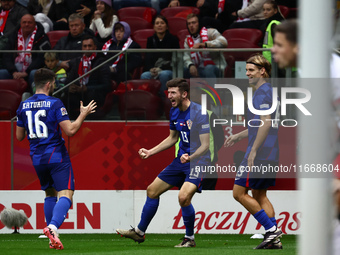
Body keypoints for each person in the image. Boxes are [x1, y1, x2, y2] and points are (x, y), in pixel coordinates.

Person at [116, 78, 210, 247]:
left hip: (198, 161)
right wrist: (150, 152)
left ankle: (189, 238)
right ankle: (139, 232)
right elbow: (172, 138)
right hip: (180, 160)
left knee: (183, 196)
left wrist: (191, 157)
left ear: (184, 94)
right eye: (168, 92)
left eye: (173, 93)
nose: (169, 96)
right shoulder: (174, 111)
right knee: (152, 191)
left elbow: (205, 146)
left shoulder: (199, 112)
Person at [16, 68, 97, 250]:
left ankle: (50, 233)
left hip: (37, 159)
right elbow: (71, 130)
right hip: (56, 156)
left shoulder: (23, 105)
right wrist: (83, 114)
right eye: (53, 83)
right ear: (48, 84)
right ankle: (52, 227)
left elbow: (19, 136)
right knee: (67, 194)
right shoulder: (54, 103)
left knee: (50, 193)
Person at [224, 54, 282, 249]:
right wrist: (238, 136)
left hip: (262, 152)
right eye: (246, 70)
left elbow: (265, 123)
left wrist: (254, 150)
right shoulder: (267, 91)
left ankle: (272, 231)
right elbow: (261, 124)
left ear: (262, 71)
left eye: (251, 70)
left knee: (238, 192)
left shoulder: (263, 92)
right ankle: (274, 240)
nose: (247, 74)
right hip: (270, 151)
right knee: (260, 196)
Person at [64, 34, 111, 119]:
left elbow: (107, 85)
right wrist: (69, 87)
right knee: (66, 97)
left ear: (95, 47)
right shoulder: (77, 62)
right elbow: (68, 81)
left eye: (90, 46)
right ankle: (69, 124)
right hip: (79, 95)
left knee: (91, 95)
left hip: (94, 95)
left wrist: (87, 88)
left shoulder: (101, 62)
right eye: (85, 46)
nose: (87, 48)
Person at [0, 14, 51, 90]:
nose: (27, 24)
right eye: (24, 22)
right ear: (20, 24)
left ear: (34, 24)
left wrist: (26, 72)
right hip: (14, 71)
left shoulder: (42, 37)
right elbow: (6, 56)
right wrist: (13, 71)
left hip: (31, 70)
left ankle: (36, 99)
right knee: (1, 73)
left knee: (35, 74)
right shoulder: (13, 36)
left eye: (29, 22)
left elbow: (41, 58)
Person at [141, 15, 179, 97]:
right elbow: (147, 57)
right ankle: (149, 98)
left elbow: (175, 59)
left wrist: (161, 68)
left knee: (164, 74)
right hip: (154, 69)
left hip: (168, 69)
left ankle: (164, 98)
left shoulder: (173, 39)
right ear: (154, 27)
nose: (159, 25)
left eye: (162, 23)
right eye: (157, 23)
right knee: (144, 75)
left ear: (167, 26)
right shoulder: (150, 40)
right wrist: (151, 68)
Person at [184, 13, 227, 79]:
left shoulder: (210, 32)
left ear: (199, 23)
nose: (191, 26)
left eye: (194, 23)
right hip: (198, 69)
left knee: (208, 68)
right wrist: (190, 65)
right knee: (184, 70)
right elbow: (186, 56)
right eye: (189, 24)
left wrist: (206, 44)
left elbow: (224, 42)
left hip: (215, 67)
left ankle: (212, 89)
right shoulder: (187, 40)